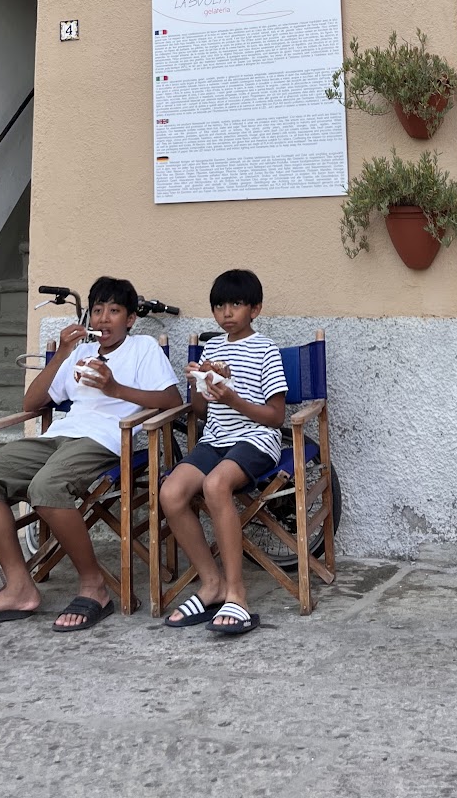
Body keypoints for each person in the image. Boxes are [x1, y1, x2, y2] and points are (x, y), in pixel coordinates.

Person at [0, 275, 181, 633]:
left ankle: (95, 587)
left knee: (47, 486)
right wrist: (60, 355)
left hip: (106, 439)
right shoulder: (81, 352)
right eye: (98, 310)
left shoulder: (143, 349)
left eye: (114, 311)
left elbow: (173, 402)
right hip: (59, 436)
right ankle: (19, 587)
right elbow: (32, 403)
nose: (103, 319)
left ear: (130, 319)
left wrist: (114, 387)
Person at [160, 268, 289, 637]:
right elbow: (202, 412)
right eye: (219, 306)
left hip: (256, 439)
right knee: (171, 492)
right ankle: (211, 582)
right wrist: (200, 384)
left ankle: (237, 594)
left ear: (255, 309)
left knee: (216, 486)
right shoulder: (212, 348)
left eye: (236, 304)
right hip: (215, 439)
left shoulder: (265, 350)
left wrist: (232, 396)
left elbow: (275, 416)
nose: (227, 313)